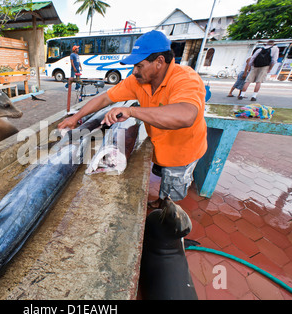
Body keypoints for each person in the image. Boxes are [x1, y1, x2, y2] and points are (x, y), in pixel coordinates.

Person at [58, 30, 207, 208]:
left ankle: (165, 209)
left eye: (139, 66)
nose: (134, 71)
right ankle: (160, 199)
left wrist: (132, 111)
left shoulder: (185, 78)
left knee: (171, 195)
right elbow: (106, 98)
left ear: (159, 61)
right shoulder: (138, 80)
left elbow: (186, 115)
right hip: (160, 144)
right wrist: (76, 117)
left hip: (182, 151)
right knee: (161, 175)